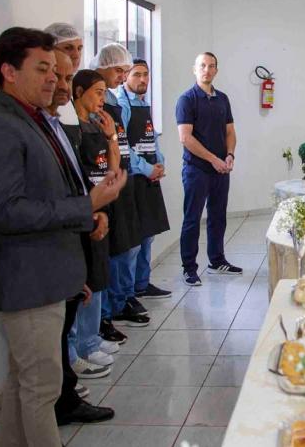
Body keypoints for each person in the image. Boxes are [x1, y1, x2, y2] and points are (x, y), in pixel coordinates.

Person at [0, 27, 124, 446]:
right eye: (43, 68)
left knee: (24, 383)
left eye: (56, 70)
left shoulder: (32, 119)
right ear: (8, 71)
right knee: (41, 389)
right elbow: (9, 212)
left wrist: (84, 224)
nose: (54, 78)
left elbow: (52, 193)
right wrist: (87, 206)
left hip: (47, 271)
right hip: (26, 277)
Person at [44, 53, 117, 424]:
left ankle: (69, 382)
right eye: (51, 73)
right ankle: (71, 368)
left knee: (91, 285)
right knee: (36, 375)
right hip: (58, 241)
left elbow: (110, 177)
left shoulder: (61, 124)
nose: (56, 84)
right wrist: (87, 211)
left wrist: (93, 211)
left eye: (63, 76)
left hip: (85, 221)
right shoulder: (26, 128)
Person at [90, 44, 149, 333]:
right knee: (113, 251)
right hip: (102, 184)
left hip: (122, 176)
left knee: (130, 244)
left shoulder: (115, 100)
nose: (122, 76)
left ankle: (123, 298)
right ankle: (106, 312)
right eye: (120, 70)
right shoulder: (98, 101)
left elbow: (118, 140)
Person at [177, 52, 242, 285]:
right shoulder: (187, 99)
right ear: (194, 69)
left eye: (211, 66)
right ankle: (189, 268)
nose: (207, 69)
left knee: (218, 217)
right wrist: (213, 159)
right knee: (192, 219)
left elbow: (230, 132)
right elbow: (185, 138)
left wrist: (230, 155)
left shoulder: (222, 99)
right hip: (196, 170)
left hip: (221, 170)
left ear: (216, 70)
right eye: (202, 66)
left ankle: (217, 260)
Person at [118, 59, 172, 299]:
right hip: (133, 179)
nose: (143, 80)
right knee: (133, 242)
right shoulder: (121, 104)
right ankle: (126, 295)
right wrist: (145, 168)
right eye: (137, 74)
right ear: (125, 77)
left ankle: (142, 283)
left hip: (150, 176)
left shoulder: (144, 103)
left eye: (146, 75)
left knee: (147, 234)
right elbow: (122, 147)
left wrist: (159, 163)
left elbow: (152, 139)